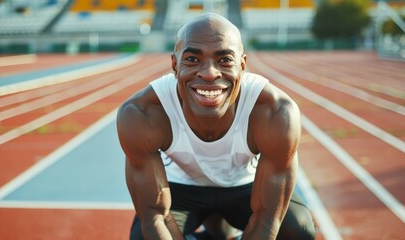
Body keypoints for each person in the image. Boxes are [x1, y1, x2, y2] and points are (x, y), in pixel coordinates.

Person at [117, 13, 315, 240]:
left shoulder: (275, 112)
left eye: (224, 60)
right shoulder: (143, 113)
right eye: (192, 59)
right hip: (180, 187)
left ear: (242, 65)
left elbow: (267, 217)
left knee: (298, 230)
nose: (209, 73)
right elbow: (156, 218)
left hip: (246, 185)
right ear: (174, 64)